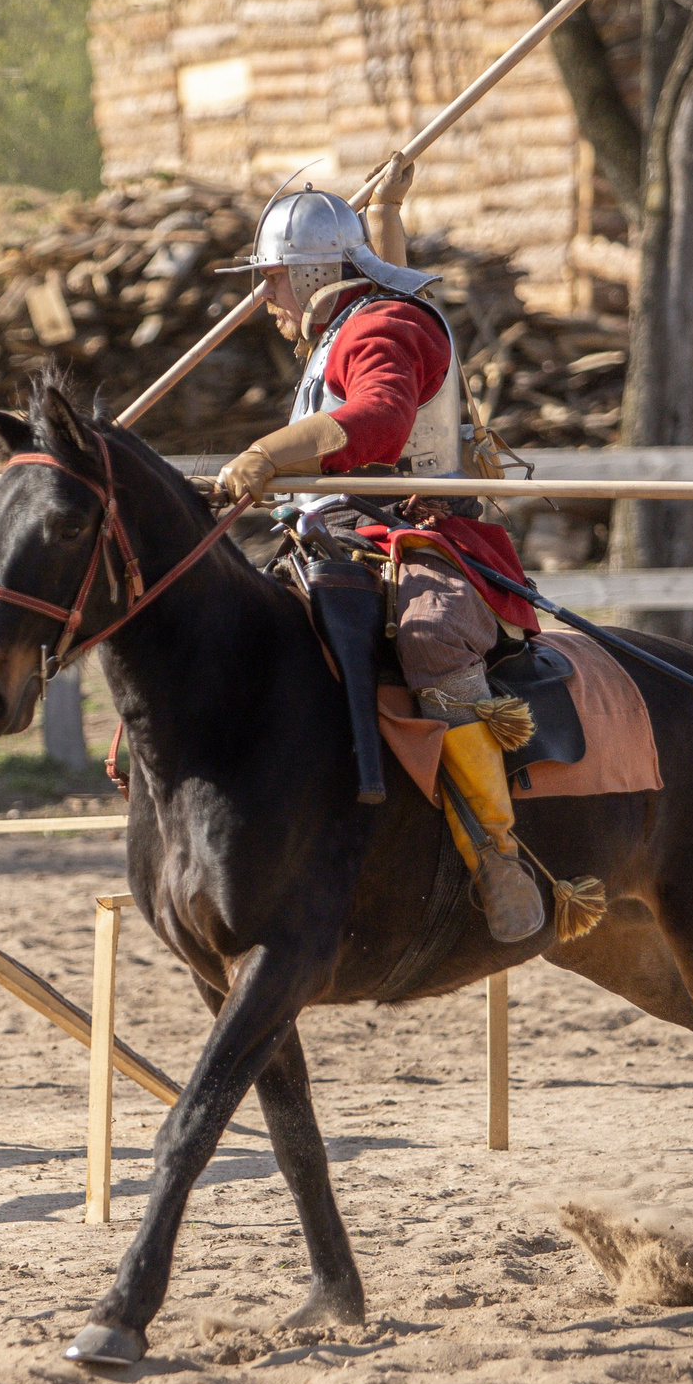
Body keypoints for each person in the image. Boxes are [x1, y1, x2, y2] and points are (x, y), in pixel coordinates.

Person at [213, 159, 546, 943]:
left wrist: (267, 452)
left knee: (432, 635)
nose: (264, 301)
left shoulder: (382, 326)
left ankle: (497, 851)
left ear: (313, 273)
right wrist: (390, 211)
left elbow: (381, 419)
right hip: (333, 533)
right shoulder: (352, 324)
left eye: (271, 281)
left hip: (418, 531)